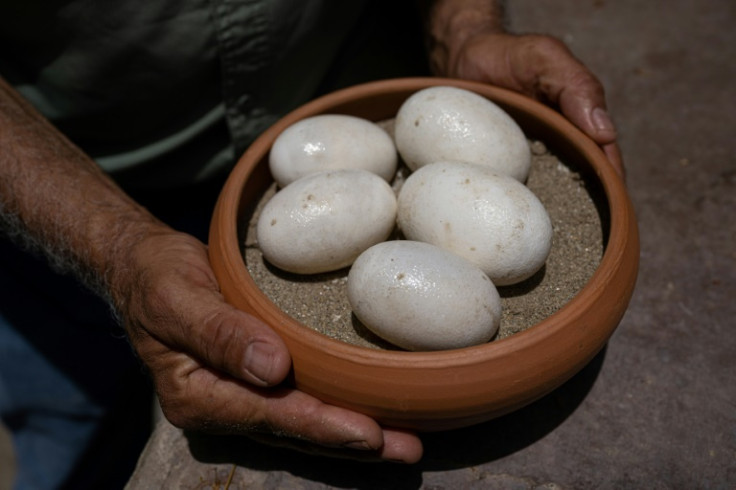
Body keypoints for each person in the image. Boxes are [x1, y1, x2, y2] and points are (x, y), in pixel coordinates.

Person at [0, 0, 621, 487]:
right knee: (71, 430)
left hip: (337, 71)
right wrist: (115, 243)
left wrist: (462, 24)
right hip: (64, 164)